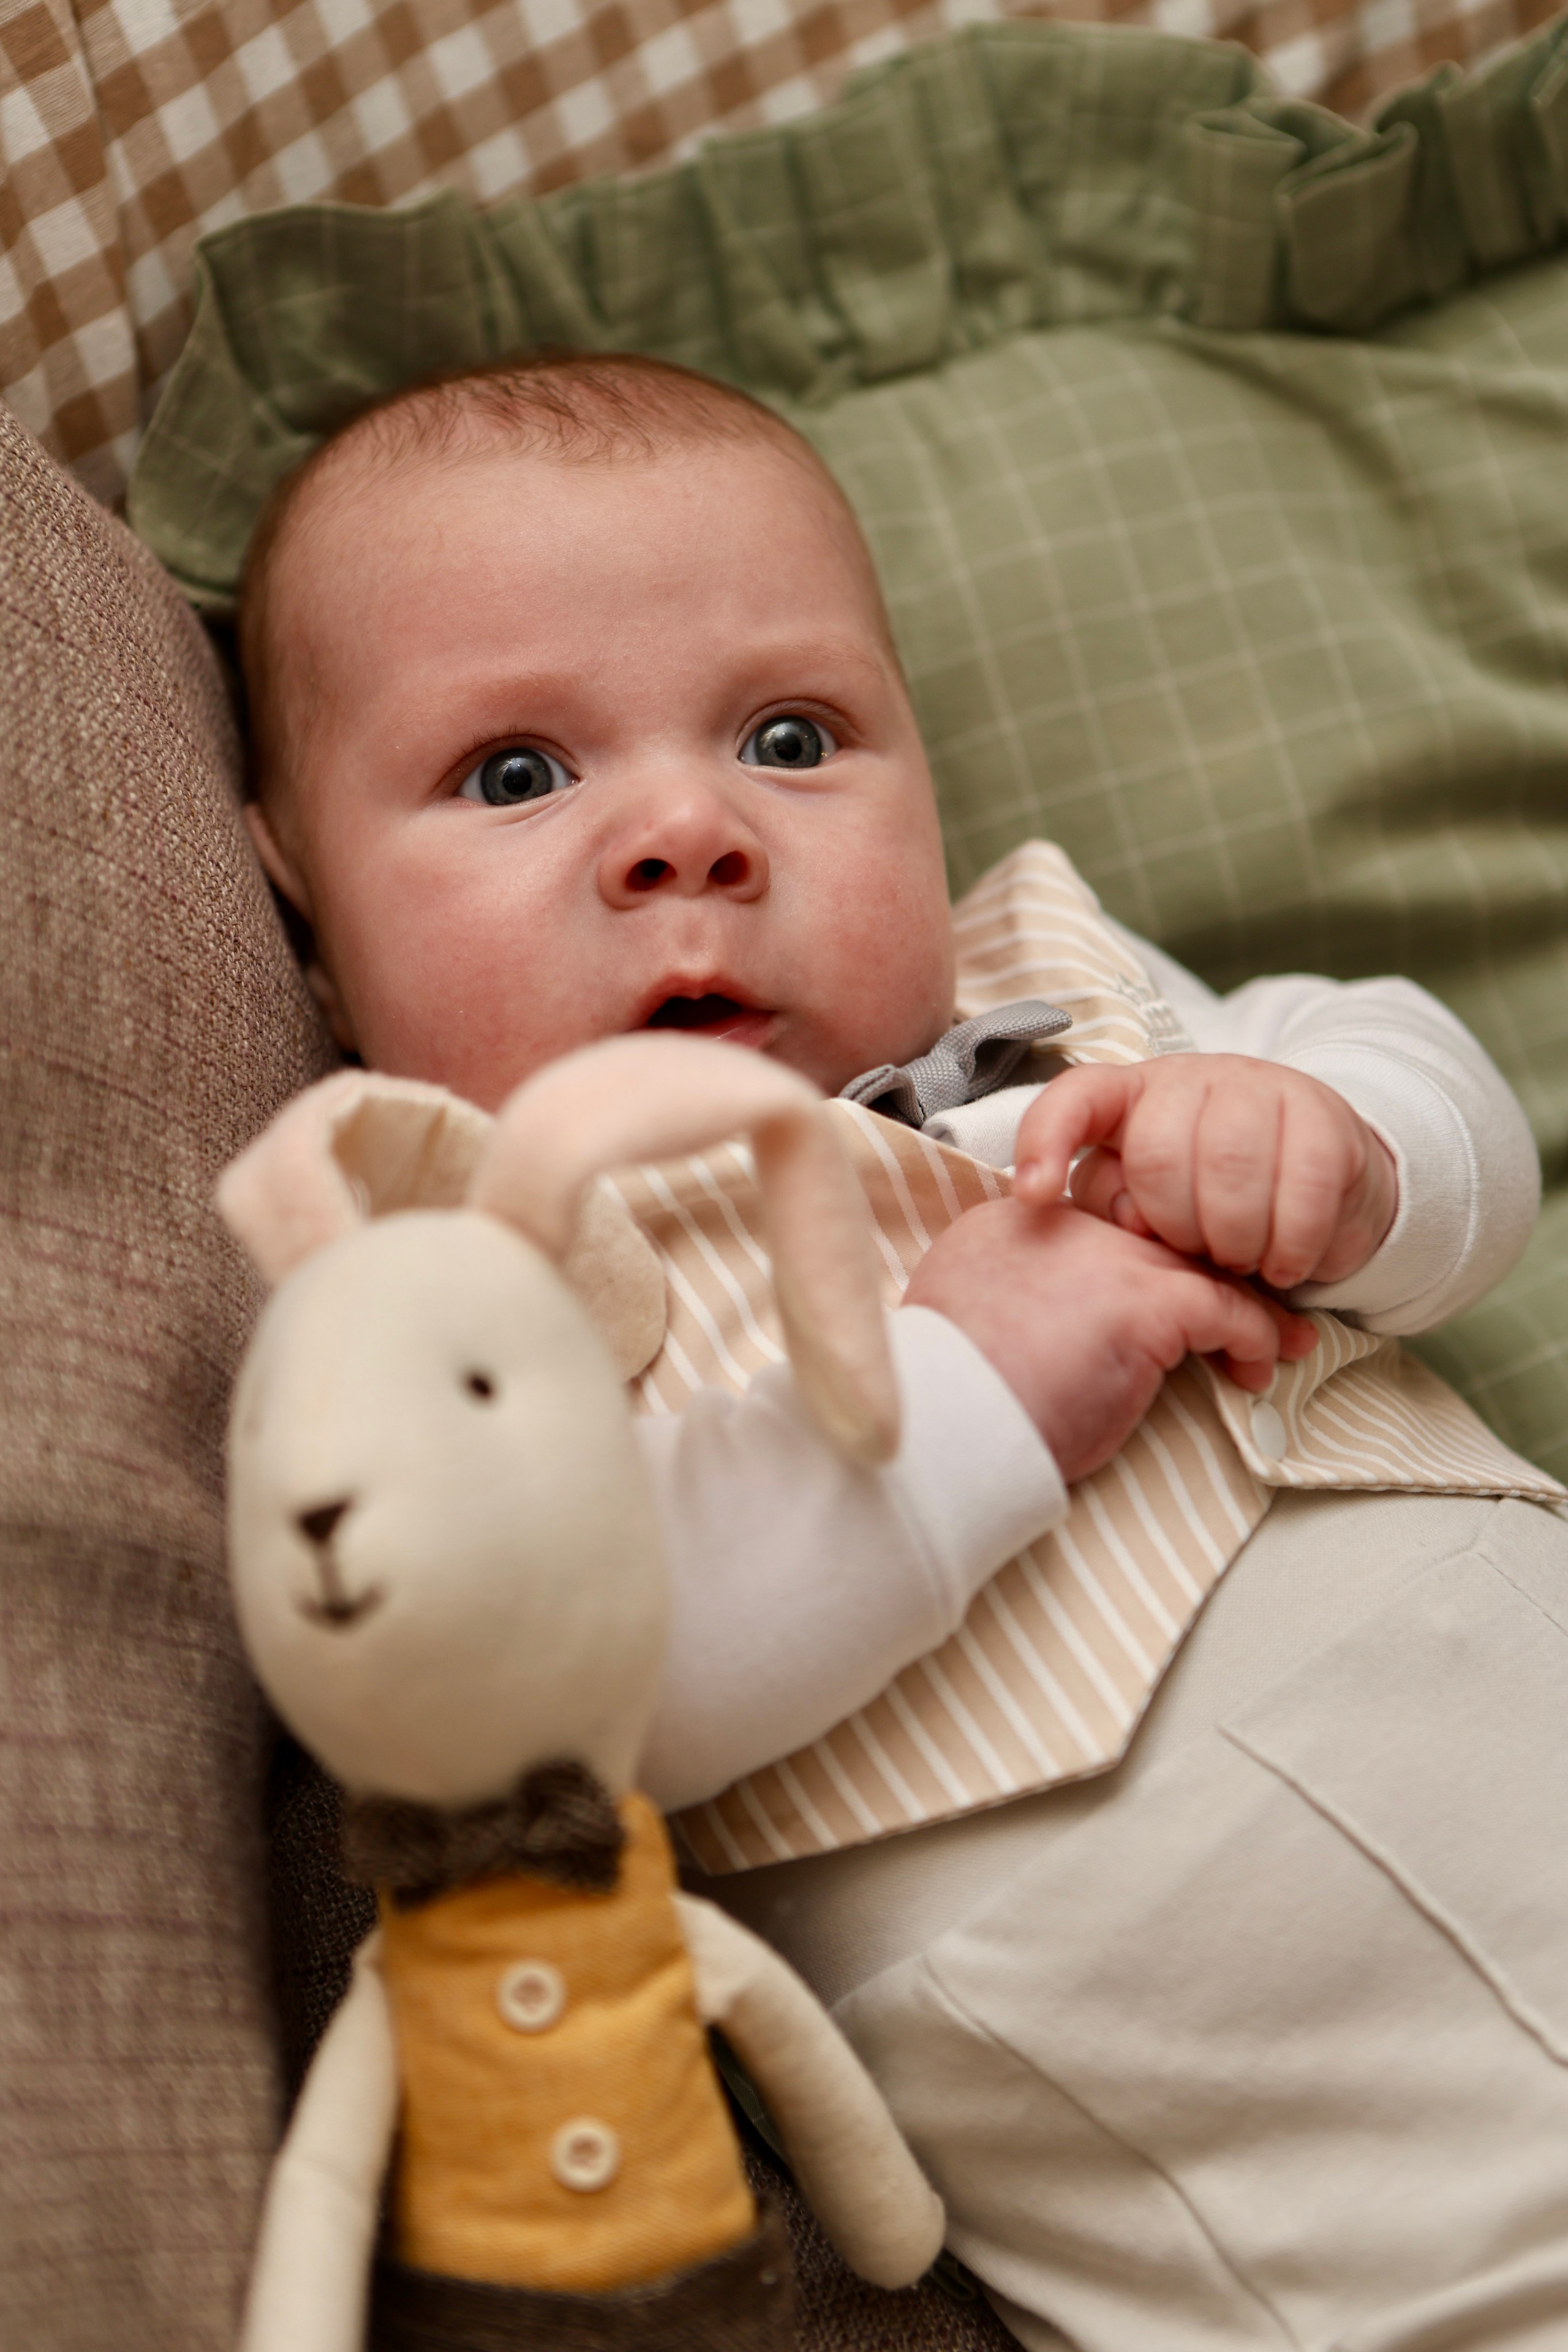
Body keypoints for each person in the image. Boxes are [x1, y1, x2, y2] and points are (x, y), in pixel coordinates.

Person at [235, 348, 1568, 2349]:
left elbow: (1428, 1089)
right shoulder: (473, 1261)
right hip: (1301, 2191)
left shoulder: (1062, 997)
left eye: (791, 735)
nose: (691, 830)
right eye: (518, 773)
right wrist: (966, 1402)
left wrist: (1352, 1155)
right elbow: (580, 1697)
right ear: (307, 915)